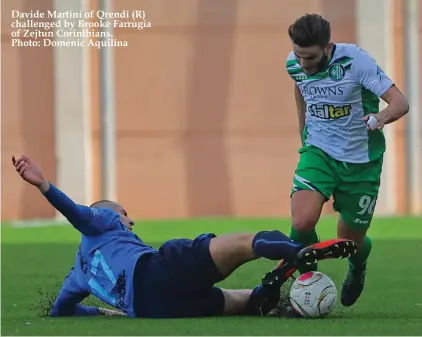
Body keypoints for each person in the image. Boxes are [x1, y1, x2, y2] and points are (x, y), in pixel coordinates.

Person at [12, 154, 357, 318]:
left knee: (241, 303)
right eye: (124, 213)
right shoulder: (101, 220)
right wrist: (44, 185)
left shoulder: (77, 275)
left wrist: (104, 313)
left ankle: (271, 300)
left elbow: (61, 311)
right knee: (243, 243)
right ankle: (299, 250)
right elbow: (76, 212)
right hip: (157, 270)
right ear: (107, 213)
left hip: (154, 309)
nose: (130, 221)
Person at [285, 14, 409, 307]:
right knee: (302, 221)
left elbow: (400, 103)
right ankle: (307, 284)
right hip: (319, 152)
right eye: (299, 56)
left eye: (310, 57)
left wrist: (380, 118)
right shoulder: (294, 63)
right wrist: (304, 136)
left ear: (327, 48)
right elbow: (301, 91)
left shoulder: (356, 61)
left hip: (361, 161)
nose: (303, 64)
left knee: (349, 243)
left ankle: (357, 266)